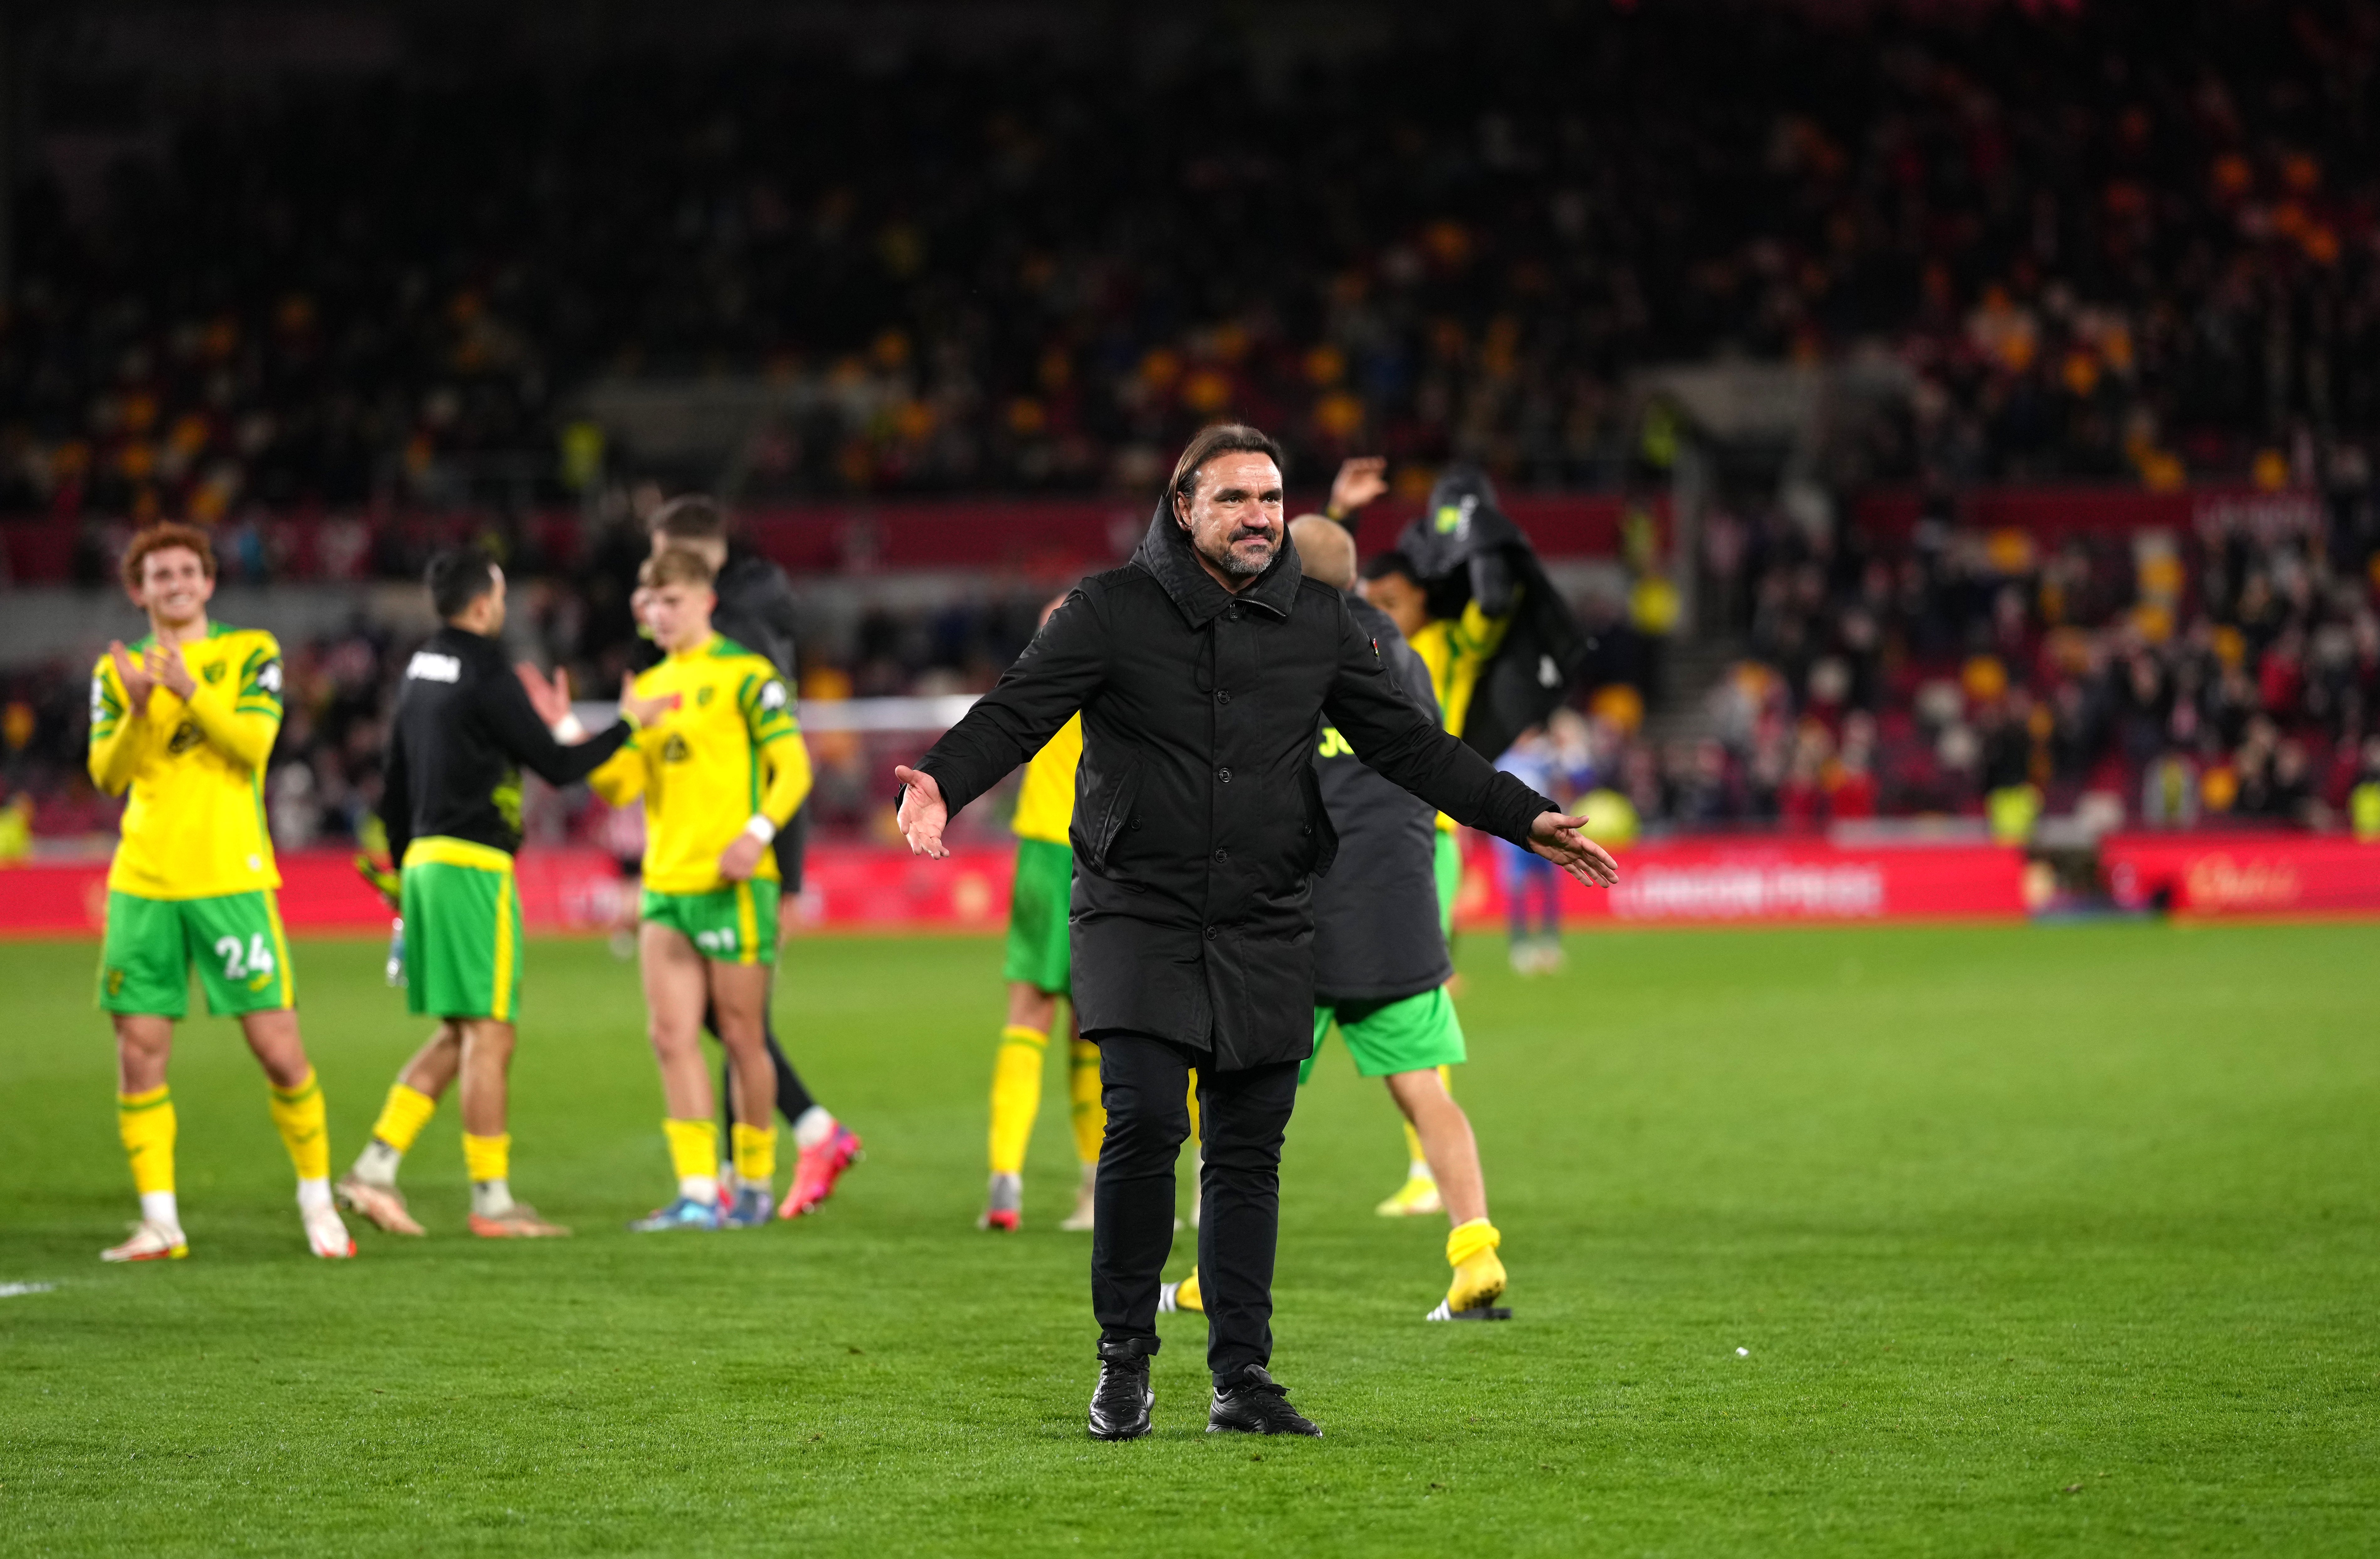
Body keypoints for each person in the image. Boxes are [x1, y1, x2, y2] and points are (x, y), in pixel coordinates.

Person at [893, 424, 1618, 1442]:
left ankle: (1241, 1376)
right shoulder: (1109, 610)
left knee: (1245, 1150)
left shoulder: (1318, 623)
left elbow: (1411, 746)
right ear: (1182, 507)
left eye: (1271, 498)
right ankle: (1123, 1362)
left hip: (1267, 915)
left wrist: (1520, 813)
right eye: (1233, 498)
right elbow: (1018, 713)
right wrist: (940, 777)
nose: (1258, 516)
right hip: (1136, 912)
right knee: (1144, 1123)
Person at [1160, 516, 1516, 1324]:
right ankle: (1476, 1253)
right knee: (1426, 1092)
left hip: (1299, 915)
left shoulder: (1273, 649)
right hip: (1399, 904)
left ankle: (1214, 1277)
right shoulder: (1409, 658)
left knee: (1238, 1105)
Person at [336, 547, 648, 1239]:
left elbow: (391, 778)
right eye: (501, 595)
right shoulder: (485, 670)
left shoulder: (418, 670)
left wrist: (402, 865)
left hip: (424, 860)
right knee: (492, 1031)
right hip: (473, 865)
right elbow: (561, 765)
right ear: (483, 604)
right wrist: (629, 723)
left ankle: (375, 1166)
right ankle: (493, 1200)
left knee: (459, 1029)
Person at [87, 523, 355, 1262]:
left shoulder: (250, 652)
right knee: (139, 1051)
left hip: (231, 878)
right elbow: (108, 775)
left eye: (185, 571)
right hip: (143, 881)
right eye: (157, 574)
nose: (172, 583)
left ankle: (317, 1201)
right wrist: (139, 708)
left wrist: (188, 690)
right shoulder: (118, 671)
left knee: (278, 1049)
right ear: (137, 591)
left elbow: (252, 748)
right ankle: (160, 1221)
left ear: (208, 583)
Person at [635, 496, 860, 1220]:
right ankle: (766, 1157)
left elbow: (779, 753)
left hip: (745, 851)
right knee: (706, 1021)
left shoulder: (741, 638)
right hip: (702, 853)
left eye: (668, 578)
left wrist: (776, 859)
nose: (654, 595)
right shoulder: (718, 631)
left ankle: (761, 1167)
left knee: (736, 1023)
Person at [591, 547, 814, 1230]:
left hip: (734, 885)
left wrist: (756, 832)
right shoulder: (651, 685)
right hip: (667, 884)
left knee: (745, 1037)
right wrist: (606, 729)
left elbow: (793, 768)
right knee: (670, 1035)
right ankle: (698, 1192)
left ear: (705, 602)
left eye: (672, 602)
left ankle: (753, 1182)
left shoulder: (748, 678)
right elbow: (617, 786)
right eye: (651, 604)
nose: (660, 615)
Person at [981, 597, 1104, 1233]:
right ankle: (1095, 1185)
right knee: (1098, 1024)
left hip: (1043, 850)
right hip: (1105, 851)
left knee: (1028, 1012)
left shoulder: (1037, 674)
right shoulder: (1127, 662)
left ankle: (1006, 1180)